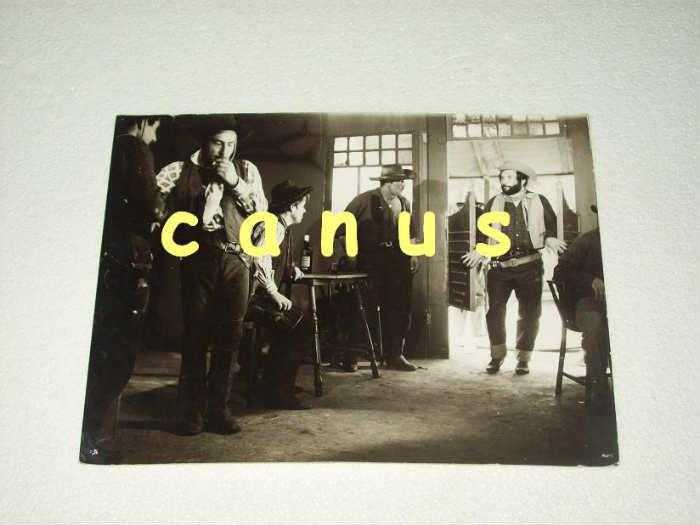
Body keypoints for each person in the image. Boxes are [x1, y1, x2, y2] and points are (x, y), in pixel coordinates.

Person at [155, 115, 268, 435]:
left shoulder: (246, 170)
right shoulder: (177, 171)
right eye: (218, 143)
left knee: (229, 340)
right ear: (204, 142)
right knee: (195, 337)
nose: (225, 151)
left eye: (231, 144)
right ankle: (190, 414)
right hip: (197, 261)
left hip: (237, 261)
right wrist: (194, 213)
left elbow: (262, 215)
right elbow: (153, 210)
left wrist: (235, 183)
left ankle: (219, 411)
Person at [80, 115, 164, 463]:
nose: (155, 137)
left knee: (97, 350)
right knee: (117, 356)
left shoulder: (99, 147)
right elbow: (152, 205)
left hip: (103, 259)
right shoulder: (135, 148)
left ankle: (87, 437)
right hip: (126, 262)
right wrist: (162, 202)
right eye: (155, 128)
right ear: (144, 122)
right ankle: (87, 440)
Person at [462, 160, 566, 375]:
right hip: (499, 268)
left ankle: (523, 359)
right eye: (502, 177)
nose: (504, 181)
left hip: (530, 267)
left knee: (530, 314)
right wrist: (480, 250)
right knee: (494, 313)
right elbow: (482, 234)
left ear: (523, 180)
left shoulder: (540, 201)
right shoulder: (494, 202)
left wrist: (550, 238)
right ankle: (497, 356)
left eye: (509, 177)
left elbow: (552, 228)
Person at [337, 164, 420, 372]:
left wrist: (413, 254)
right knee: (364, 307)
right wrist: (352, 255)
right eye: (399, 181)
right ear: (387, 182)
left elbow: (410, 233)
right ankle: (352, 356)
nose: (403, 185)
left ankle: (395, 355)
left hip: (398, 262)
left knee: (400, 307)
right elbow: (343, 230)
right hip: (371, 262)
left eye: (404, 181)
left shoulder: (404, 203)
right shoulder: (363, 200)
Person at [248, 180, 313, 409]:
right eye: (302, 205)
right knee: (300, 324)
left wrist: (289, 268)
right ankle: (277, 391)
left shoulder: (280, 226)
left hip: (259, 295)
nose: (304, 210)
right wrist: (273, 292)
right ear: (292, 206)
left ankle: (276, 383)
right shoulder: (273, 226)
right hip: (251, 297)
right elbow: (258, 259)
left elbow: (271, 258)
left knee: (297, 322)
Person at [553, 207, 611, 405]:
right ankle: (600, 388)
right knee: (595, 325)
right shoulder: (586, 241)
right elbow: (560, 272)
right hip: (587, 302)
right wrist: (590, 280)